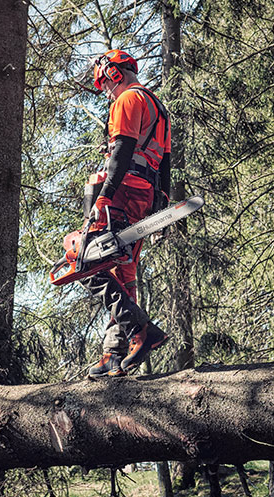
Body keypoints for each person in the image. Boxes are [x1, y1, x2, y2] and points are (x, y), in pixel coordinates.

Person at [81, 49, 171, 379]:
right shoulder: (158, 108)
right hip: (144, 196)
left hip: (122, 192)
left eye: (104, 83)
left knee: (87, 262)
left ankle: (141, 329)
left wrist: (104, 196)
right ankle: (113, 353)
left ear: (114, 74)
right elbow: (165, 163)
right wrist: (161, 204)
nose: (105, 90)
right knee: (122, 273)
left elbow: (122, 150)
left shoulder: (128, 99)